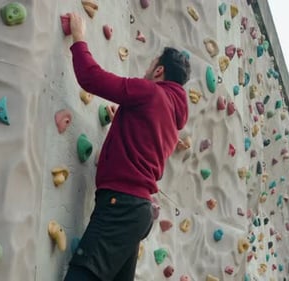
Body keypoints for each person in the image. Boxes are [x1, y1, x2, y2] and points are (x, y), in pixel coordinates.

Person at [63, 12, 191, 281]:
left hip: (119, 204)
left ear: (159, 71)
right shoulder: (171, 119)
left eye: (151, 64)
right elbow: (140, 143)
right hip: (138, 212)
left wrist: (79, 37)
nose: (146, 70)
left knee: (81, 274)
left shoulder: (150, 92)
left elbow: (92, 79)